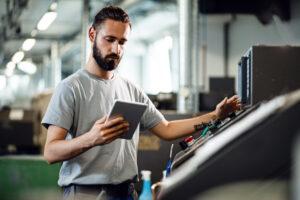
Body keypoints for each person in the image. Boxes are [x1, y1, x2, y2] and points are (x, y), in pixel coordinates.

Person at [42, 5, 241, 200]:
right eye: (109, 39)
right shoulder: (71, 87)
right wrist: (92, 138)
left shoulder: (131, 89)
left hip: (126, 191)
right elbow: (50, 152)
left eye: (122, 42)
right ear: (92, 34)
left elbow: (167, 128)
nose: (115, 49)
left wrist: (215, 116)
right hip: (84, 192)